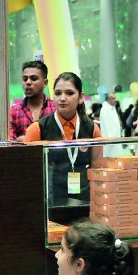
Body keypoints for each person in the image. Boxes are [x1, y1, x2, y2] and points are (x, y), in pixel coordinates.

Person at [24, 73, 103, 205]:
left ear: (81, 97)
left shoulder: (92, 129)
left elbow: (98, 170)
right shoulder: (37, 129)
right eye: (58, 93)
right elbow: (28, 174)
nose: (62, 98)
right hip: (49, 202)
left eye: (69, 93)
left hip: (84, 201)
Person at [10, 60, 57, 141]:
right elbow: (10, 143)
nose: (28, 82)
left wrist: (27, 139)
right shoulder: (14, 111)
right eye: (25, 79)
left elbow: (60, 139)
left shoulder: (56, 108)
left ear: (45, 83)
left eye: (34, 78)